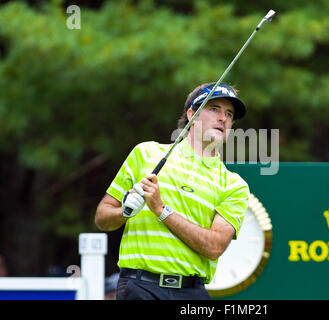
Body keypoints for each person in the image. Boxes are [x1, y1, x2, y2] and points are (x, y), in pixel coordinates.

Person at [95, 82, 250, 300]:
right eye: (214, 109)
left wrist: (161, 210)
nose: (223, 118)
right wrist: (124, 212)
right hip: (140, 287)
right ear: (191, 115)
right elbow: (102, 218)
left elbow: (215, 246)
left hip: (192, 293)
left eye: (229, 114)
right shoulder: (146, 153)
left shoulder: (234, 185)